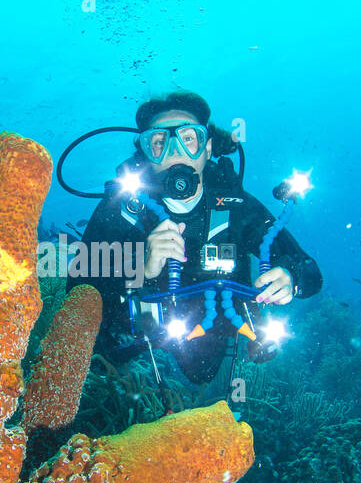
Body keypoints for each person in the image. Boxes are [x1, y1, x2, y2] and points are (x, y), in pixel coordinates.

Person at [76, 90, 323, 385]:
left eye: (188, 138)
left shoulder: (235, 205)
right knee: (102, 365)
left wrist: (290, 277)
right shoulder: (123, 207)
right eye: (158, 142)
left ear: (207, 148)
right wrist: (140, 268)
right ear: (146, 155)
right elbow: (77, 293)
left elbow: (310, 273)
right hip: (137, 333)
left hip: (215, 321)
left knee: (203, 374)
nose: (175, 151)